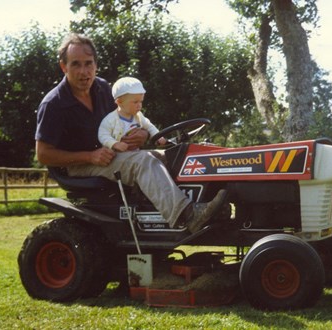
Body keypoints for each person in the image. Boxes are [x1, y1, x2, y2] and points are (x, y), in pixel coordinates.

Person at [35, 33, 226, 233]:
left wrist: (142, 134)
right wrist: (90, 156)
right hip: (78, 165)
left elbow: (127, 118)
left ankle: (212, 207)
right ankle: (188, 216)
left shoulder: (102, 88)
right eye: (75, 64)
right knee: (142, 162)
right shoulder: (54, 104)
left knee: (172, 156)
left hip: (109, 153)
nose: (84, 71)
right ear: (63, 66)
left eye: (88, 63)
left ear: (96, 65)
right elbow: (43, 154)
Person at [98, 77, 165, 152]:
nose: (139, 105)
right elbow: (103, 135)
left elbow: (149, 126)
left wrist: (157, 136)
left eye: (141, 101)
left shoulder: (138, 116)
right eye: (135, 102)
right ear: (119, 102)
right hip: (117, 156)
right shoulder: (110, 120)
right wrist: (114, 144)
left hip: (135, 154)